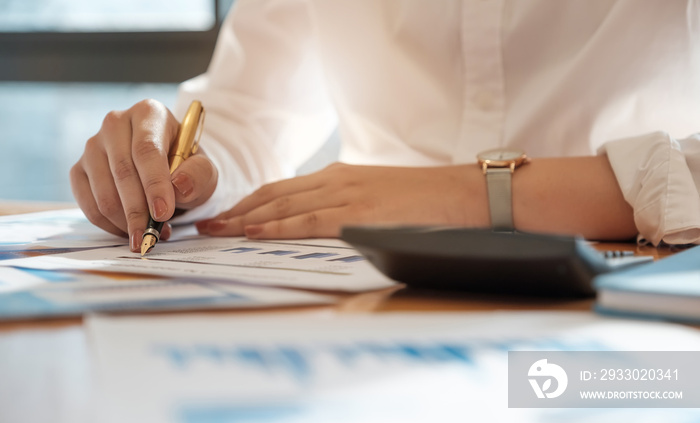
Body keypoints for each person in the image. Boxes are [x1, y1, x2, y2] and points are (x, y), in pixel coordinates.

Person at [70, 0, 700, 254]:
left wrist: (470, 194)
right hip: (358, 288)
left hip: (642, 285)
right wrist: (181, 165)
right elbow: (250, 120)